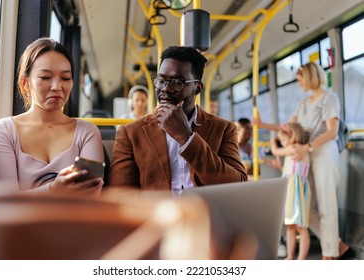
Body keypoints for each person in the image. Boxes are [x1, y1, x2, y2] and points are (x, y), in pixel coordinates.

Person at [109, 46, 247, 191]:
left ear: (197, 88)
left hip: (207, 211)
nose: (166, 89)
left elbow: (238, 184)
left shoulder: (224, 129)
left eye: (177, 82)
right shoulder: (130, 133)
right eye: (161, 80)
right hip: (155, 213)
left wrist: (187, 139)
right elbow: (120, 194)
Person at [253, 62, 354, 260]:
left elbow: (332, 131)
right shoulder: (303, 103)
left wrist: (307, 147)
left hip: (323, 151)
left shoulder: (329, 98)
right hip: (306, 154)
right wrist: (263, 124)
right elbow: (288, 127)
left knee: (327, 206)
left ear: (309, 77)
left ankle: (330, 254)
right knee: (308, 210)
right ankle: (338, 246)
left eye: (300, 79)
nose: (299, 84)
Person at [0, 37, 104, 195]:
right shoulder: (3, 131)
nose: (57, 86)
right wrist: (54, 190)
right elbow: (4, 204)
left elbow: (90, 197)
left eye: (65, 78)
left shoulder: (87, 132)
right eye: (45, 77)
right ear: (26, 83)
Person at [271, 123, 311, 260]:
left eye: (282, 140)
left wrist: (273, 141)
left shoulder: (294, 148)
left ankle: (301, 258)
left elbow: (276, 151)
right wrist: (280, 166)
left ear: (291, 135)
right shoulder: (295, 149)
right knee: (290, 225)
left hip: (295, 190)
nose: (281, 143)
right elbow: (292, 169)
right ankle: (290, 255)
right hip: (292, 189)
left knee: (300, 226)